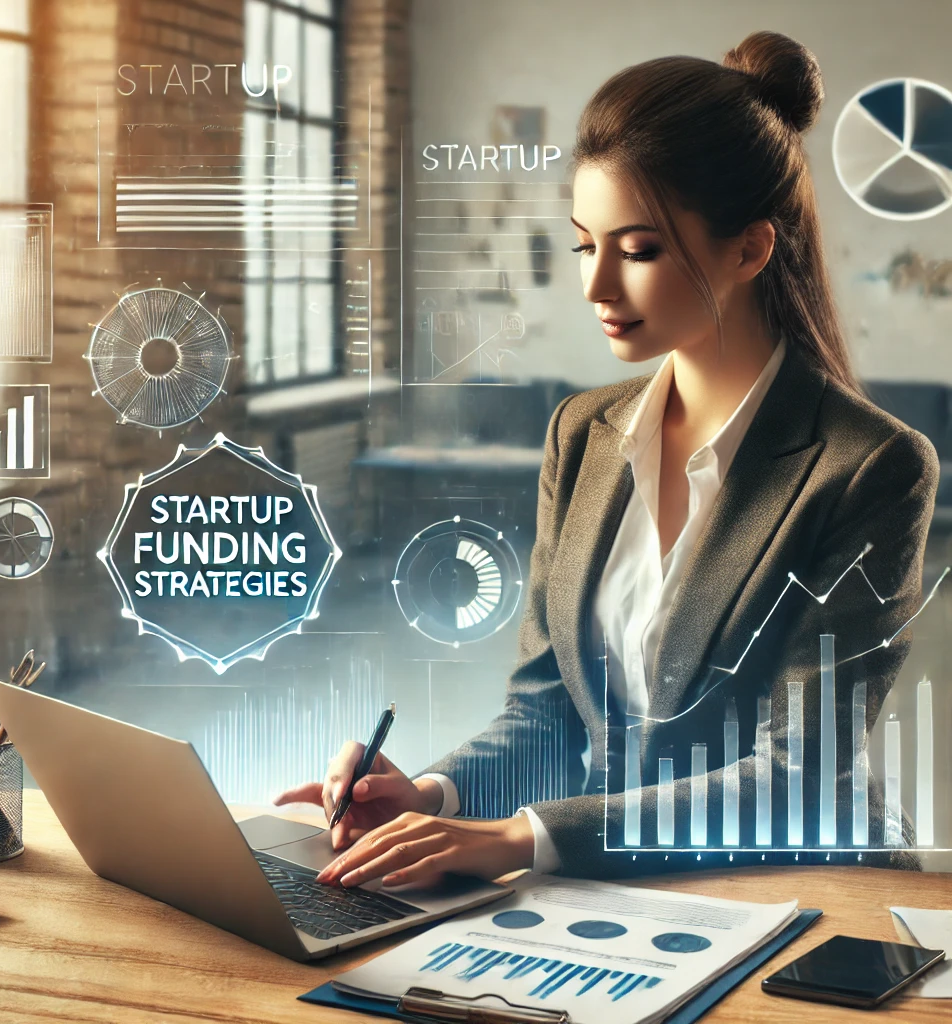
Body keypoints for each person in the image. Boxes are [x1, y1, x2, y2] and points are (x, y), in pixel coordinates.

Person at [275, 31, 938, 886]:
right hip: (608, 886)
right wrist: (433, 797)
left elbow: (796, 775)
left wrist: (521, 839)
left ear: (749, 249)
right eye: (587, 244)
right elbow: (546, 715)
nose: (595, 286)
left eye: (639, 250)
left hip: (796, 885)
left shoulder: (871, 466)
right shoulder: (581, 435)